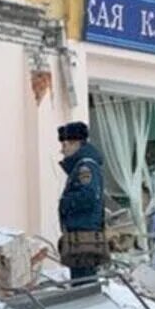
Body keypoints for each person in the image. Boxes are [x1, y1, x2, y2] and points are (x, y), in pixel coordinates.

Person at [56, 121, 107, 284]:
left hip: (84, 238)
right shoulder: (83, 166)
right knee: (82, 282)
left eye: (65, 144)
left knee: (84, 285)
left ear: (76, 143)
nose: (62, 150)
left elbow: (89, 196)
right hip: (81, 237)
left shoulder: (85, 167)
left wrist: (65, 202)